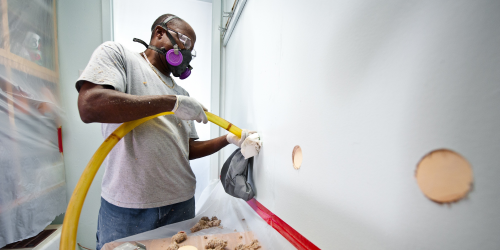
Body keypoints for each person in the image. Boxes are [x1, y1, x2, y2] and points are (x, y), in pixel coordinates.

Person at [76, 14, 251, 250]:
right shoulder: (120, 57)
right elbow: (90, 106)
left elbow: (186, 150)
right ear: (160, 33)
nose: (187, 52)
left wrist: (228, 139)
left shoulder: (181, 93)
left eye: (192, 50)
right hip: (128, 208)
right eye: (185, 42)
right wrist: (172, 103)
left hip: (180, 204)